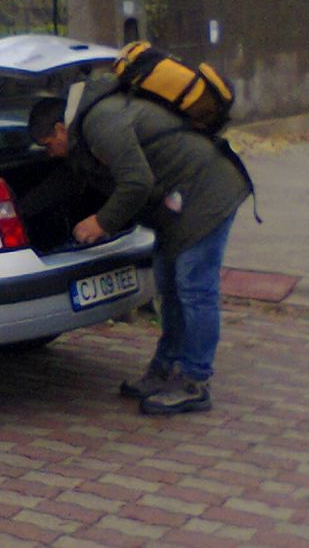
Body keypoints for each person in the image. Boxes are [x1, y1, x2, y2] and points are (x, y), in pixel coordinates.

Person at [26, 73, 252, 415]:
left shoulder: (101, 123)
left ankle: (194, 381)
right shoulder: (84, 133)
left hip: (206, 193)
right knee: (169, 287)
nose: (51, 153)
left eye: (48, 145)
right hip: (176, 203)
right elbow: (67, 181)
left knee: (194, 288)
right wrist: (21, 210)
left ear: (60, 129)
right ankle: (165, 368)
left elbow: (137, 182)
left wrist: (102, 222)